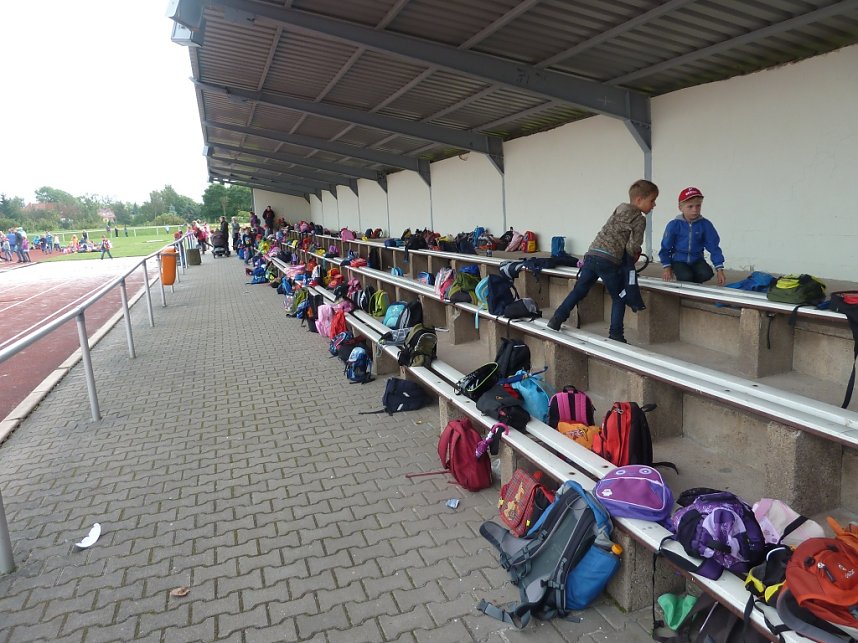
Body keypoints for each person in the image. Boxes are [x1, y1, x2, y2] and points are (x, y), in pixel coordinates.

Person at [546, 179, 659, 343]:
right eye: (652, 201)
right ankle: (616, 334)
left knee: (579, 290)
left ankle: (557, 318)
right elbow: (633, 245)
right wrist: (633, 254)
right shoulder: (639, 219)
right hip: (609, 261)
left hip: (592, 255)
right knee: (619, 297)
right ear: (639, 200)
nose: (654, 205)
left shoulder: (619, 209)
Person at [659, 186, 726, 286]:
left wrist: (719, 269)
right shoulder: (674, 225)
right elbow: (666, 246)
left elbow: (714, 246)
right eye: (690, 206)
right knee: (686, 276)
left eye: (698, 206)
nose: (695, 210)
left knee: (707, 273)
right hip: (679, 259)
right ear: (680, 207)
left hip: (697, 259)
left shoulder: (705, 224)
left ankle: (691, 286)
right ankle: (685, 284)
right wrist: (666, 266)